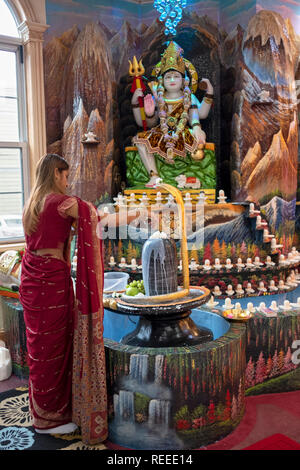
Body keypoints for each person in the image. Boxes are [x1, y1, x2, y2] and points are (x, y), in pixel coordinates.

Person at [20, 153, 149, 444]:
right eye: (65, 175)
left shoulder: (34, 203)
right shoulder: (61, 202)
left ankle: (42, 412)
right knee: (54, 345)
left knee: (40, 346)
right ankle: (50, 420)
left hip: (31, 278)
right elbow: (100, 219)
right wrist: (137, 214)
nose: (68, 181)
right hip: (50, 282)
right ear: (55, 174)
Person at [131, 41, 214, 187]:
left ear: (184, 80)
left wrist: (197, 127)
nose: (172, 80)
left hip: (182, 132)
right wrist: (149, 113)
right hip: (161, 133)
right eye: (168, 77)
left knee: (198, 145)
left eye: (176, 76)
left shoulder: (189, 97)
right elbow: (145, 124)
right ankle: (154, 175)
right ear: (162, 81)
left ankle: (190, 180)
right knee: (139, 140)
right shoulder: (159, 99)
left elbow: (198, 115)